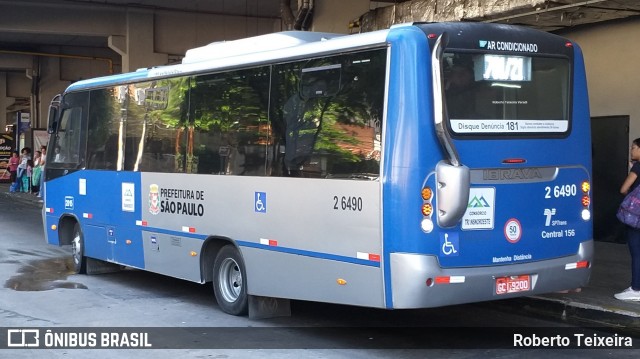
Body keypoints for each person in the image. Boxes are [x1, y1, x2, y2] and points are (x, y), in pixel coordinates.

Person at [615, 138, 640, 301]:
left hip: (636, 217)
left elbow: (623, 189)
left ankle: (636, 289)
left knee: (637, 252)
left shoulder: (638, 167)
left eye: (634, 148)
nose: (631, 150)